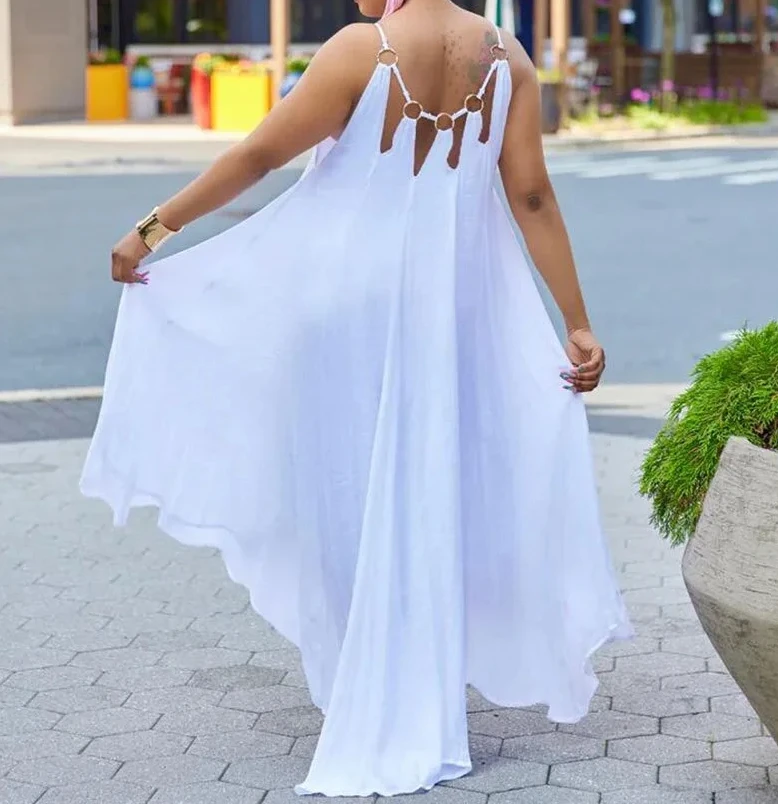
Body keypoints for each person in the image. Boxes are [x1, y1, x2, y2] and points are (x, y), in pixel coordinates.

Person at [81, 0, 633, 797]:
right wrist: (576, 322)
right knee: (428, 491)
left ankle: (372, 679)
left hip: (345, 314)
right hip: (448, 320)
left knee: (344, 493)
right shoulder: (507, 59)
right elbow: (533, 197)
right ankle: (413, 681)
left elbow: (260, 154)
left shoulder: (360, 49)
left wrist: (152, 229)